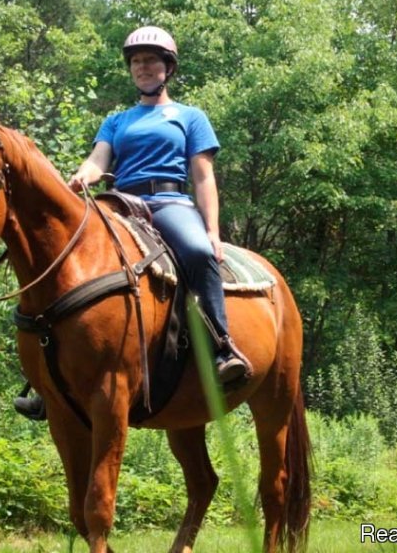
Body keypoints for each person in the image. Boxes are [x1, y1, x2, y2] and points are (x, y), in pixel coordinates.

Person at [14, 26, 251, 419]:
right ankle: (47, 379)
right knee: (69, 258)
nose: (143, 68)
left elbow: (203, 175)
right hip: (121, 201)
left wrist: (212, 230)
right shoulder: (116, 121)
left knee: (195, 251)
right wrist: (82, 175)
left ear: (167, 68)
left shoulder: (190, 117)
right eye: (137, 62)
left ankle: (221, 347)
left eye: (151, 61)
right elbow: (98, 160)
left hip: (169, 202)